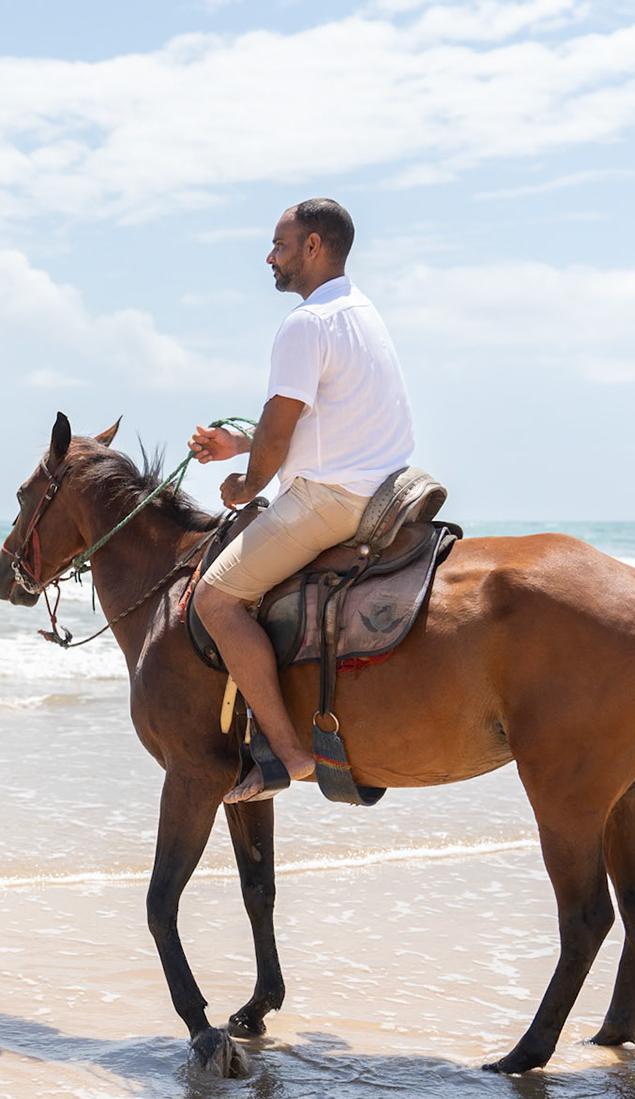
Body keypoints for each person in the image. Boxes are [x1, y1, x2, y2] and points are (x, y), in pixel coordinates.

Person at [187, 198, 415, 803]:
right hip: (382, 486)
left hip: (331, 500)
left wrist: (245, 485)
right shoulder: (362, 313)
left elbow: (282, 429)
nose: (271, 257)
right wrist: (239, 445)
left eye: (280, 245)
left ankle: (289, 754)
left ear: (313, 246)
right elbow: (315, 426)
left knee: (216, 598)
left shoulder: (305, 323)